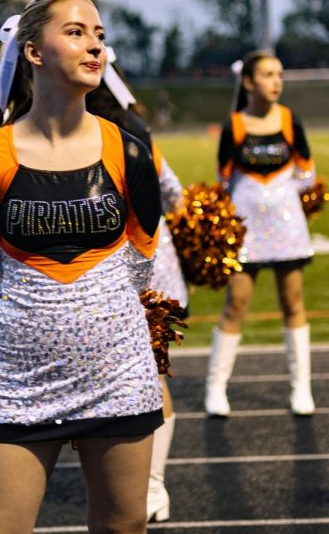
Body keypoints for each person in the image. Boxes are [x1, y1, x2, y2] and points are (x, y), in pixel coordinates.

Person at [0, 0, 163, 533]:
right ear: (32, 52)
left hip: (119, 374)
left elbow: (141, 264)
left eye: (98, 33)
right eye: (75, 32)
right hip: (19, 380)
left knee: (123, 528)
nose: (94, 43)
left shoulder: (130, 152)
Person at [86, 54, 187, 523]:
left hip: (91, 271)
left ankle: (123, 488)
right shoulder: (134, 128)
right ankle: (151, 487)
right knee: (151, 375)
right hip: (148, 263)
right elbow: (173, 193)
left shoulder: (72, 130)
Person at [204, 51, 317, 417]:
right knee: (236, 303)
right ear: (249, 82)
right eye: (268, 74)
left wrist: (281, 199)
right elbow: (223, 178)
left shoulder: (290, 120)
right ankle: (216, 389)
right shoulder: (233, 126)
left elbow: (307, 173)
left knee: (293, 302)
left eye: (279, 74)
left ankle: (301, 389)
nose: (276, 81)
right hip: (246, 228)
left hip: (287, 228)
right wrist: (250, 202)